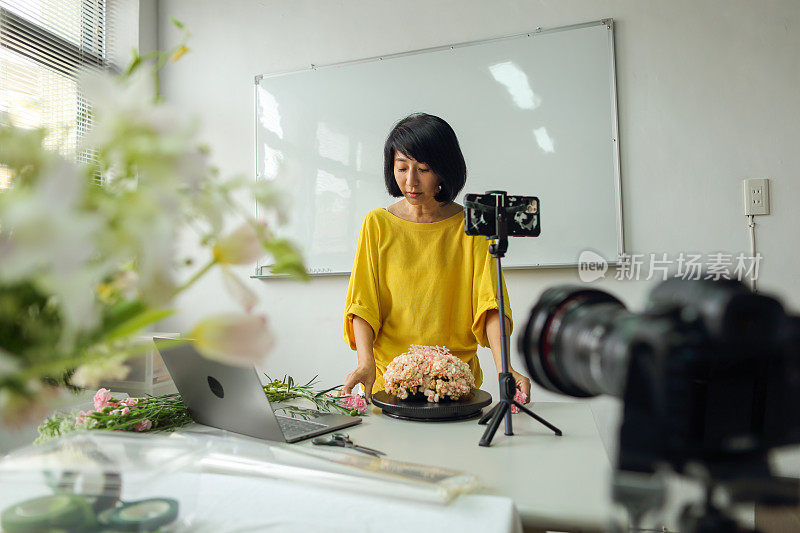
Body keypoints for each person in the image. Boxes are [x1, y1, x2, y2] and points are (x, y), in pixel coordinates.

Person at [341, 113, 532, 403]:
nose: (411, 181)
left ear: (444, 170)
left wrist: (505, 369)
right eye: (402, 168)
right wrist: (365, 363)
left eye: (424, 169)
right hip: (389, 385)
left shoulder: (471, 225)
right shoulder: (377, 224)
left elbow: (491, 305)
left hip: (455, 385)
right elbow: (363, 305)